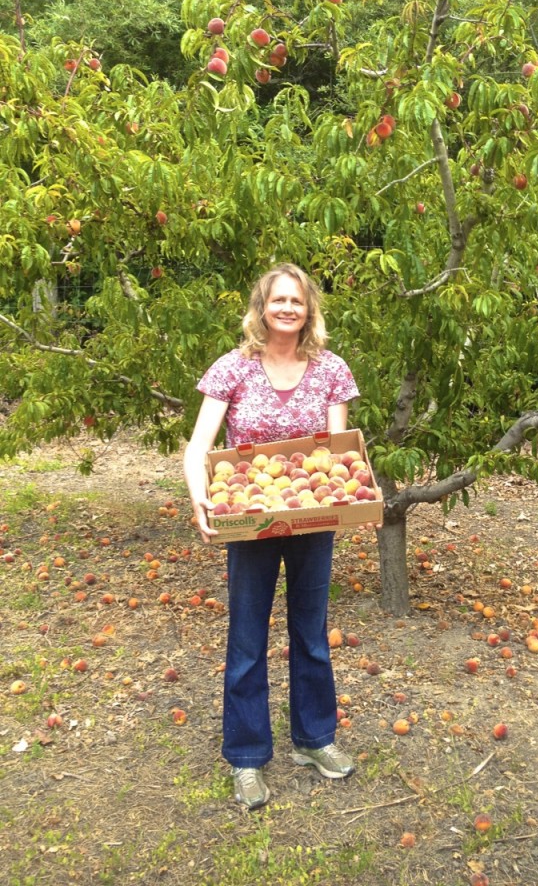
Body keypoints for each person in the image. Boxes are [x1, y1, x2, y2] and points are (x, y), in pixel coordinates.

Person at [183, 262, 360, 809]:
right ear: (261, 308)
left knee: (312, 633)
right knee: (246, 638)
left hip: (310, 518)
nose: (287, 308)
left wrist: (352, 495)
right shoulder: (233, 368)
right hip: (248, 516)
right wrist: (199, 496)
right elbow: (199, 446)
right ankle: (247, 756)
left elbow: (338, 452)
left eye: (297, 301)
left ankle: (315, 739)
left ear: (309, 311)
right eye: (278, 300)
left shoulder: (330, 369)